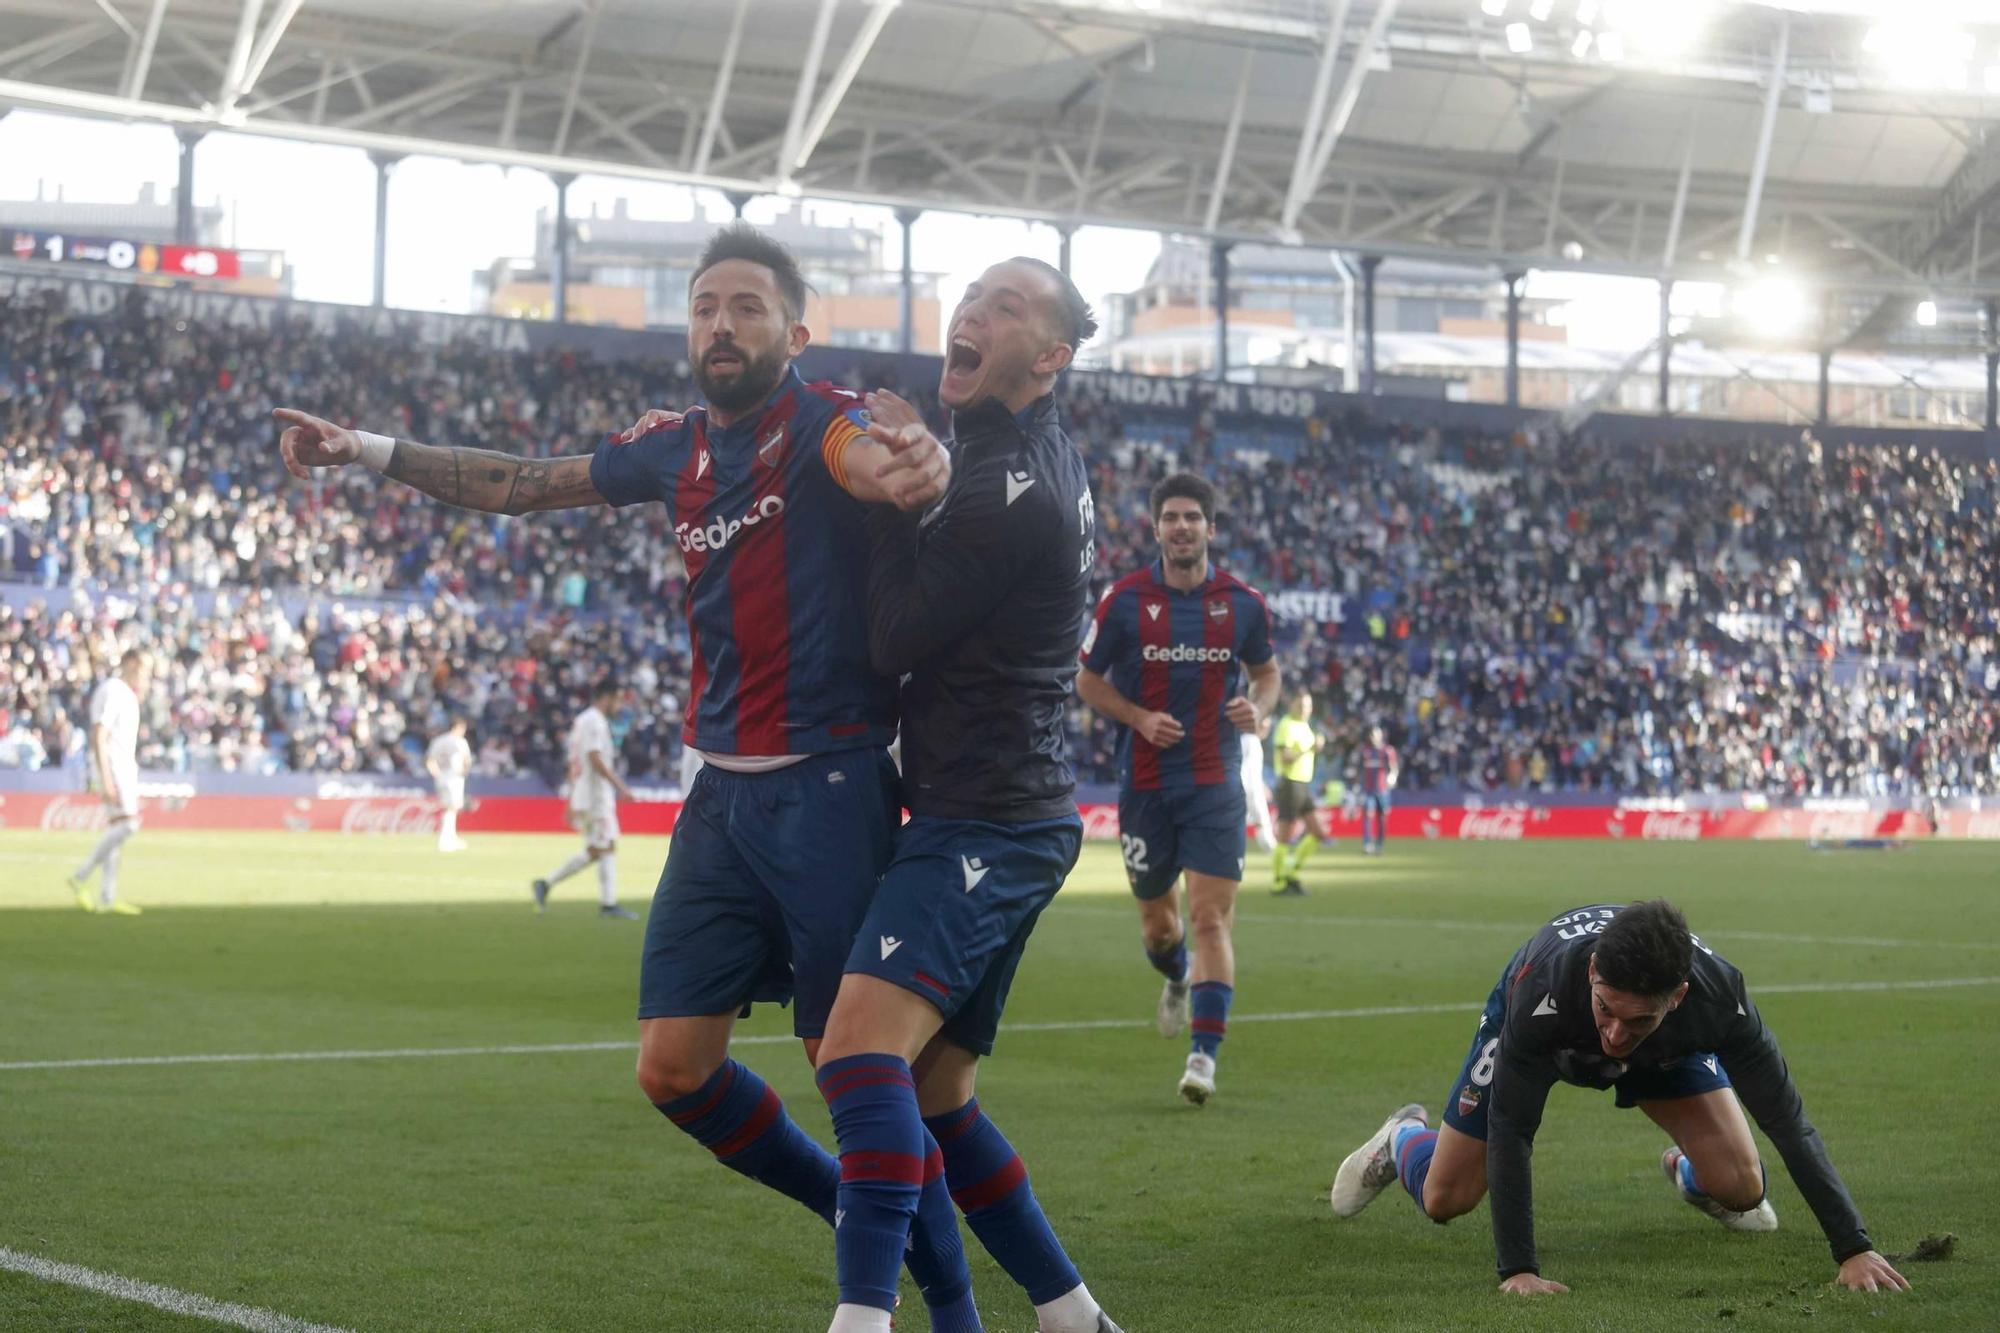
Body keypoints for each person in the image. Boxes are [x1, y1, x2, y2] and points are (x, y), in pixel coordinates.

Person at [273, 223, 979, 1329]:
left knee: (856, 1079)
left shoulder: (822, 422)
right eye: (704, 306)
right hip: (720, 796)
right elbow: (518, 484)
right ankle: (856, 1206)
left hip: (830, 786)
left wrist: (910, 465)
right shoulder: (670, 447)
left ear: (793, 331)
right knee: (673, 1069)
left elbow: (872, 461)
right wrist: (362, 447)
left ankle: (944, 1307)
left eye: (746, 307)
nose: (720, 324)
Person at [811, 258, 1124, 1333]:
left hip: (983, 818)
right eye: (971, 297)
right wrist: (930, 467)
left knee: (857, 1053)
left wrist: (893, 501)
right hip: (1006, 809)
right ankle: (1071, 1315)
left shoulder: (1005, 487)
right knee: (936, 1092)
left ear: (1048, 356)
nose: (971, 313)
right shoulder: (1020, 455)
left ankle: (863, 1320)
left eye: (1004, 307)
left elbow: (893, 638)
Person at [1330, 899, 1911, 1298]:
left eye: (1636, 1018)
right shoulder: (1541, 994)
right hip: (1552, 1035)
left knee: (1743, 1187)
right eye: (1606, 1008)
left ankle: (1690, 1174)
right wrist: (1520, 1270)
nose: (1613, 1035)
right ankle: (1402, 1137)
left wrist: (1853, 1249)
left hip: (1668, 1052)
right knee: (1445, 1197)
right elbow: (1512, 1127)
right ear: (1591, 972)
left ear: (1678, 997)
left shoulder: (1720, 1003)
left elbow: (1788, 1123)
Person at [1075, 471, 1279, 1105]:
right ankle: (1174, 976)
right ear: (1157, 527)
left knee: (1211, 917)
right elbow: (1086, 680)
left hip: (1215, 781)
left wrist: (1260, 711)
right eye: (1172, 517)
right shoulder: (1125, 601)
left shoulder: (1243, 603)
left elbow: (1266, 675)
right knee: (1161, 928)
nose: (1182, 527)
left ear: (1210, 529)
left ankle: (1203, 1057)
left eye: (1193, 517)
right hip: (1145, 784)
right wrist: (1136, 716)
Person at [533, 682, 636, 918]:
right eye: (617, 699)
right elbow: (594, 758)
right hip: (596, 795)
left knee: (598, 848)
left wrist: (571, 797)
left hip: (586, 793)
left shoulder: (582, 721)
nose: (619, 705)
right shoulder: (595, 722)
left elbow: (574, 763)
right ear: (606, 697)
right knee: (606, 845)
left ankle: (547, 884)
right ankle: (608, 905)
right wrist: (621, 787)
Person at [66, 650, 152, 915]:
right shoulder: (113, 690)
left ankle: (108, 896)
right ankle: (80, 876)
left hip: (124, 765)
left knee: (116, 831)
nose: (146, 675)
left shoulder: (128, 694)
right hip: (113, 766)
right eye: (144, 669)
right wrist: (104, 776)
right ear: (131, 663)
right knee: (130, 825)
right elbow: (99, 733)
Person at [1269, 689, 1326, 895]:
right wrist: (1310, 748)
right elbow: (1285, 757)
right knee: (1285, 835)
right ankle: (1278, 882)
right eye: (1301, 705)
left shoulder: (1304, 726)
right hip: (1289, 783)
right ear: (1291, 704)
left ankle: (1290, 873)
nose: (1305, 710)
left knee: (1318, 833)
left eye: (1308, 706)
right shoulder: (1285, 725)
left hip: (1303, 784)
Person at [426, 716, 473, 852]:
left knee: (449, 807)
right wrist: (463, 772)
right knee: (452, 808)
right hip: (454, 777)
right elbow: (466, 761)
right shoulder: (460, 742)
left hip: (442, 777)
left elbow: (430, 761)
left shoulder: (438, 740)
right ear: (459, 727)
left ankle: (450, 836)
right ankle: (447, 838)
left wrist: (437, 774)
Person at [1357, 724, 1399, 856]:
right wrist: (1358, 784)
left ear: (1381, 735)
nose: (1374, 737)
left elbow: (1394, 767)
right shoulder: (1365, 750)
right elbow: (1359, 769)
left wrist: (1392, 777)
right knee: (1368, 815)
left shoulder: (1387, 750)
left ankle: (1379, 844)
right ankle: (1367, 844)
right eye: (1372, 734)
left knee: (1382, 817)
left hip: (1382, 790)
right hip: (1368, 789)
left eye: (1376, 734)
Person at [1243, 716, 1278, 857]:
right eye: (1265, 722)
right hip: (1244, 793)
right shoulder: (1251, 741)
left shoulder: (1246, 739)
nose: (1267, 727)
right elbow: (1250, 779)